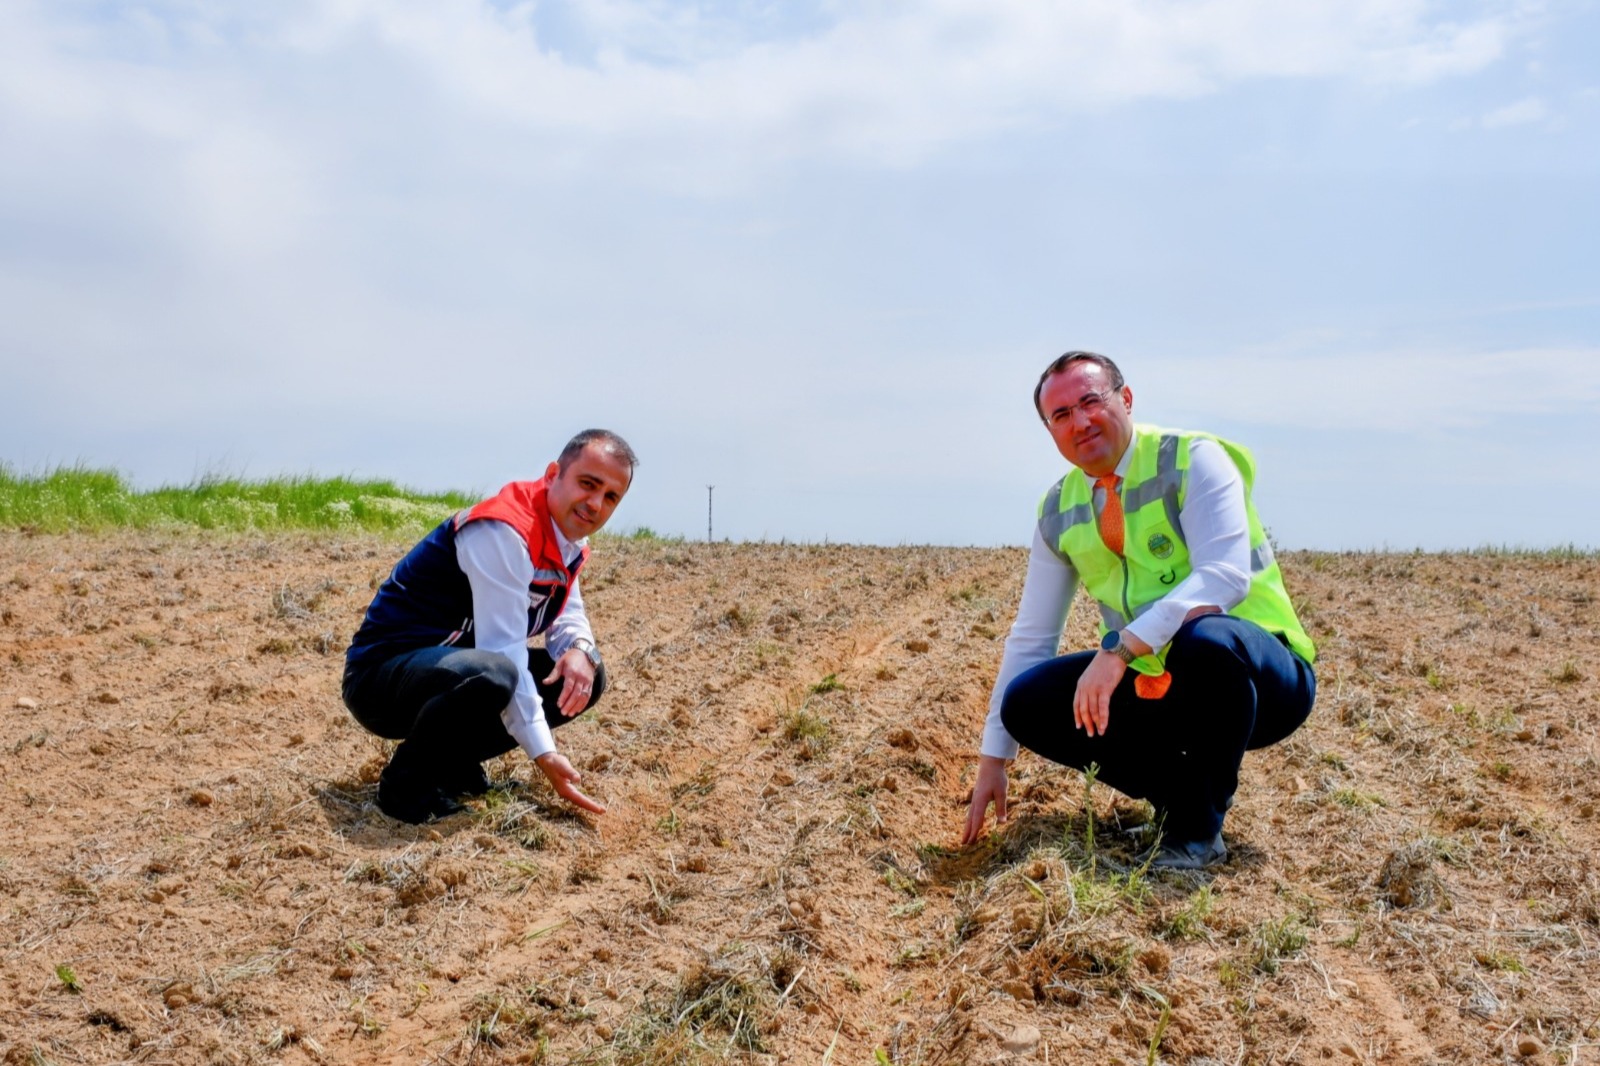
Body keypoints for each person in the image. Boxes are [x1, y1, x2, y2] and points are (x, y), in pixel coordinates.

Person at [960, 352, 1316, 869]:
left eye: (1091, 401)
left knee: (1207, 639)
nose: (1080, 422)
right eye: (1061, 415)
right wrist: (994, 761)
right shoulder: (1059, 510)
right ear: (1050, 431)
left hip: (1262, 679)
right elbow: (1033, 635)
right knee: (1028, 701)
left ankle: (1197, 835)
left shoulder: (1192, 458)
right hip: (1163, 684)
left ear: (1124, 400)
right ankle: (1179, 800)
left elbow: (1225, 574)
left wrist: (1119, 649)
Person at [342, 429, 636, 824]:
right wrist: (544, 754)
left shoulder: (566, 540)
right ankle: (405, 786)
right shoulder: (504, 531)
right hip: (381, 680)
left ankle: (451, 765)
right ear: (553, 474)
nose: (596, 503)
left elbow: (567, 611)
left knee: (582, 679)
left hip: (449, 671)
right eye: (588, 484)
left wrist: (582, 651)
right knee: (495, 675)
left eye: (611, 497)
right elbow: (505, 651)